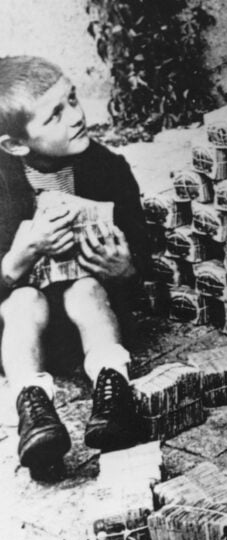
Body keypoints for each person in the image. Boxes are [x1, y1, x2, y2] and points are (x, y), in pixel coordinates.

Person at [0, 57, 151, 472]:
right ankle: (34, 410)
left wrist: (126, 268)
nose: (76, 116)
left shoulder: (108, 169)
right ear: (14, 144)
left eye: (72, 99)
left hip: (92, 315)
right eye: (55, 115)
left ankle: (113, 393)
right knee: (22, 301)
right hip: (29, 331)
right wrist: (16, 261)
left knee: (87, 289)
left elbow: (141, 253)